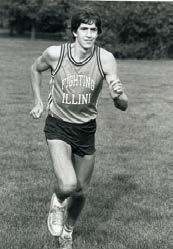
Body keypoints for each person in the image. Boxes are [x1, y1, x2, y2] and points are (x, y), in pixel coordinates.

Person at [30, 8, 128, 249]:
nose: (89, 33)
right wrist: (38, 101)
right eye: (84, 28)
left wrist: (117, 96)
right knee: (67, 184)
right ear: (74, 32)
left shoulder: (105, 58)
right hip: (58, 125)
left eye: (93, 29)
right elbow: (34, 69)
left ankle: (68, 231)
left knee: (81, 190)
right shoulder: (55, 54)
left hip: (86, 129)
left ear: (98, 33)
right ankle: (57, 201)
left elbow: (123, 104)